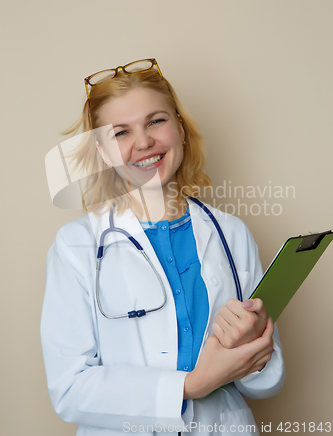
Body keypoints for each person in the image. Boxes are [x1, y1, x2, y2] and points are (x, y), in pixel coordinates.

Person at [41, 58, 285, 436]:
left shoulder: (231, 232)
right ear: (103, 153)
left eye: (156, 121)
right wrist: (189, 386)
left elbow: (266, 383)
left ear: (181, 129)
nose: (143, 142)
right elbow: (70, 389)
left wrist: (251, 345)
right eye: (120, 133)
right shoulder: (76, 245)